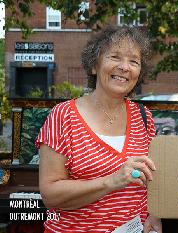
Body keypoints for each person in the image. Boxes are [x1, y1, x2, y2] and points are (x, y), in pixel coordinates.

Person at [36, 26, 162, 233]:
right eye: (115, 57)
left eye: (134, 61)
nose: (124, 67)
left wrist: (154, 215)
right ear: (94, 66)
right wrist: (112, 180)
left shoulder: (143, 116)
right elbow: (50, 195)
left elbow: (153, 178)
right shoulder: (63, 116)